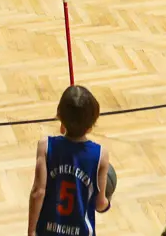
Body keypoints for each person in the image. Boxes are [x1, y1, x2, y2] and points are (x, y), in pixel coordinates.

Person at [28, 85, 113, 235]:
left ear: (60, 117)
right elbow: (99, 204)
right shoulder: (100, 155)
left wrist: (31, 231)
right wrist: (107, 202)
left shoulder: (46, 147)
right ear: (91, 126)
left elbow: (38, 192)